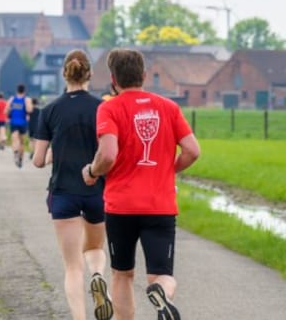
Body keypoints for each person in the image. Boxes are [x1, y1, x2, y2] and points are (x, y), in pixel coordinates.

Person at [83, 48, 200, 320]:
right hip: (160, 206)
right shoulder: (169, 107)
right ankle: (160, 292)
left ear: (113, 78)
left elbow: (108, 154)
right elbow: (193, 151)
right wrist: (167, 171)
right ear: (145, 75)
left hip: (121, 207)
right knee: (162, 275)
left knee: (122, 274)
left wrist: (92, 170)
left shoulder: (109, 108)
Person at [33, 49, 112, 320]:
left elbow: (38, 160)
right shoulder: (102, 108)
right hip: (97, 191)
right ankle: (99, 277)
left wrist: (58, 149)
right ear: (89, 74)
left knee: (72, 267)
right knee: (94, 249)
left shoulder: (49, 110)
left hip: (63, 193)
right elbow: (108, 151)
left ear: (63, 74)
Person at [7, 84, 33, 168]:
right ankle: (21, 159)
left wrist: (11, 111)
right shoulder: (27, 99)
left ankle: (15, 153)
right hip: (23, 122)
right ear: (24, 91)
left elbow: (6, 111)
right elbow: (30, 110)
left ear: (17, 90)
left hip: (13, 122)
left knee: (14, 139)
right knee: (21, 142)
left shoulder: (12, 99)